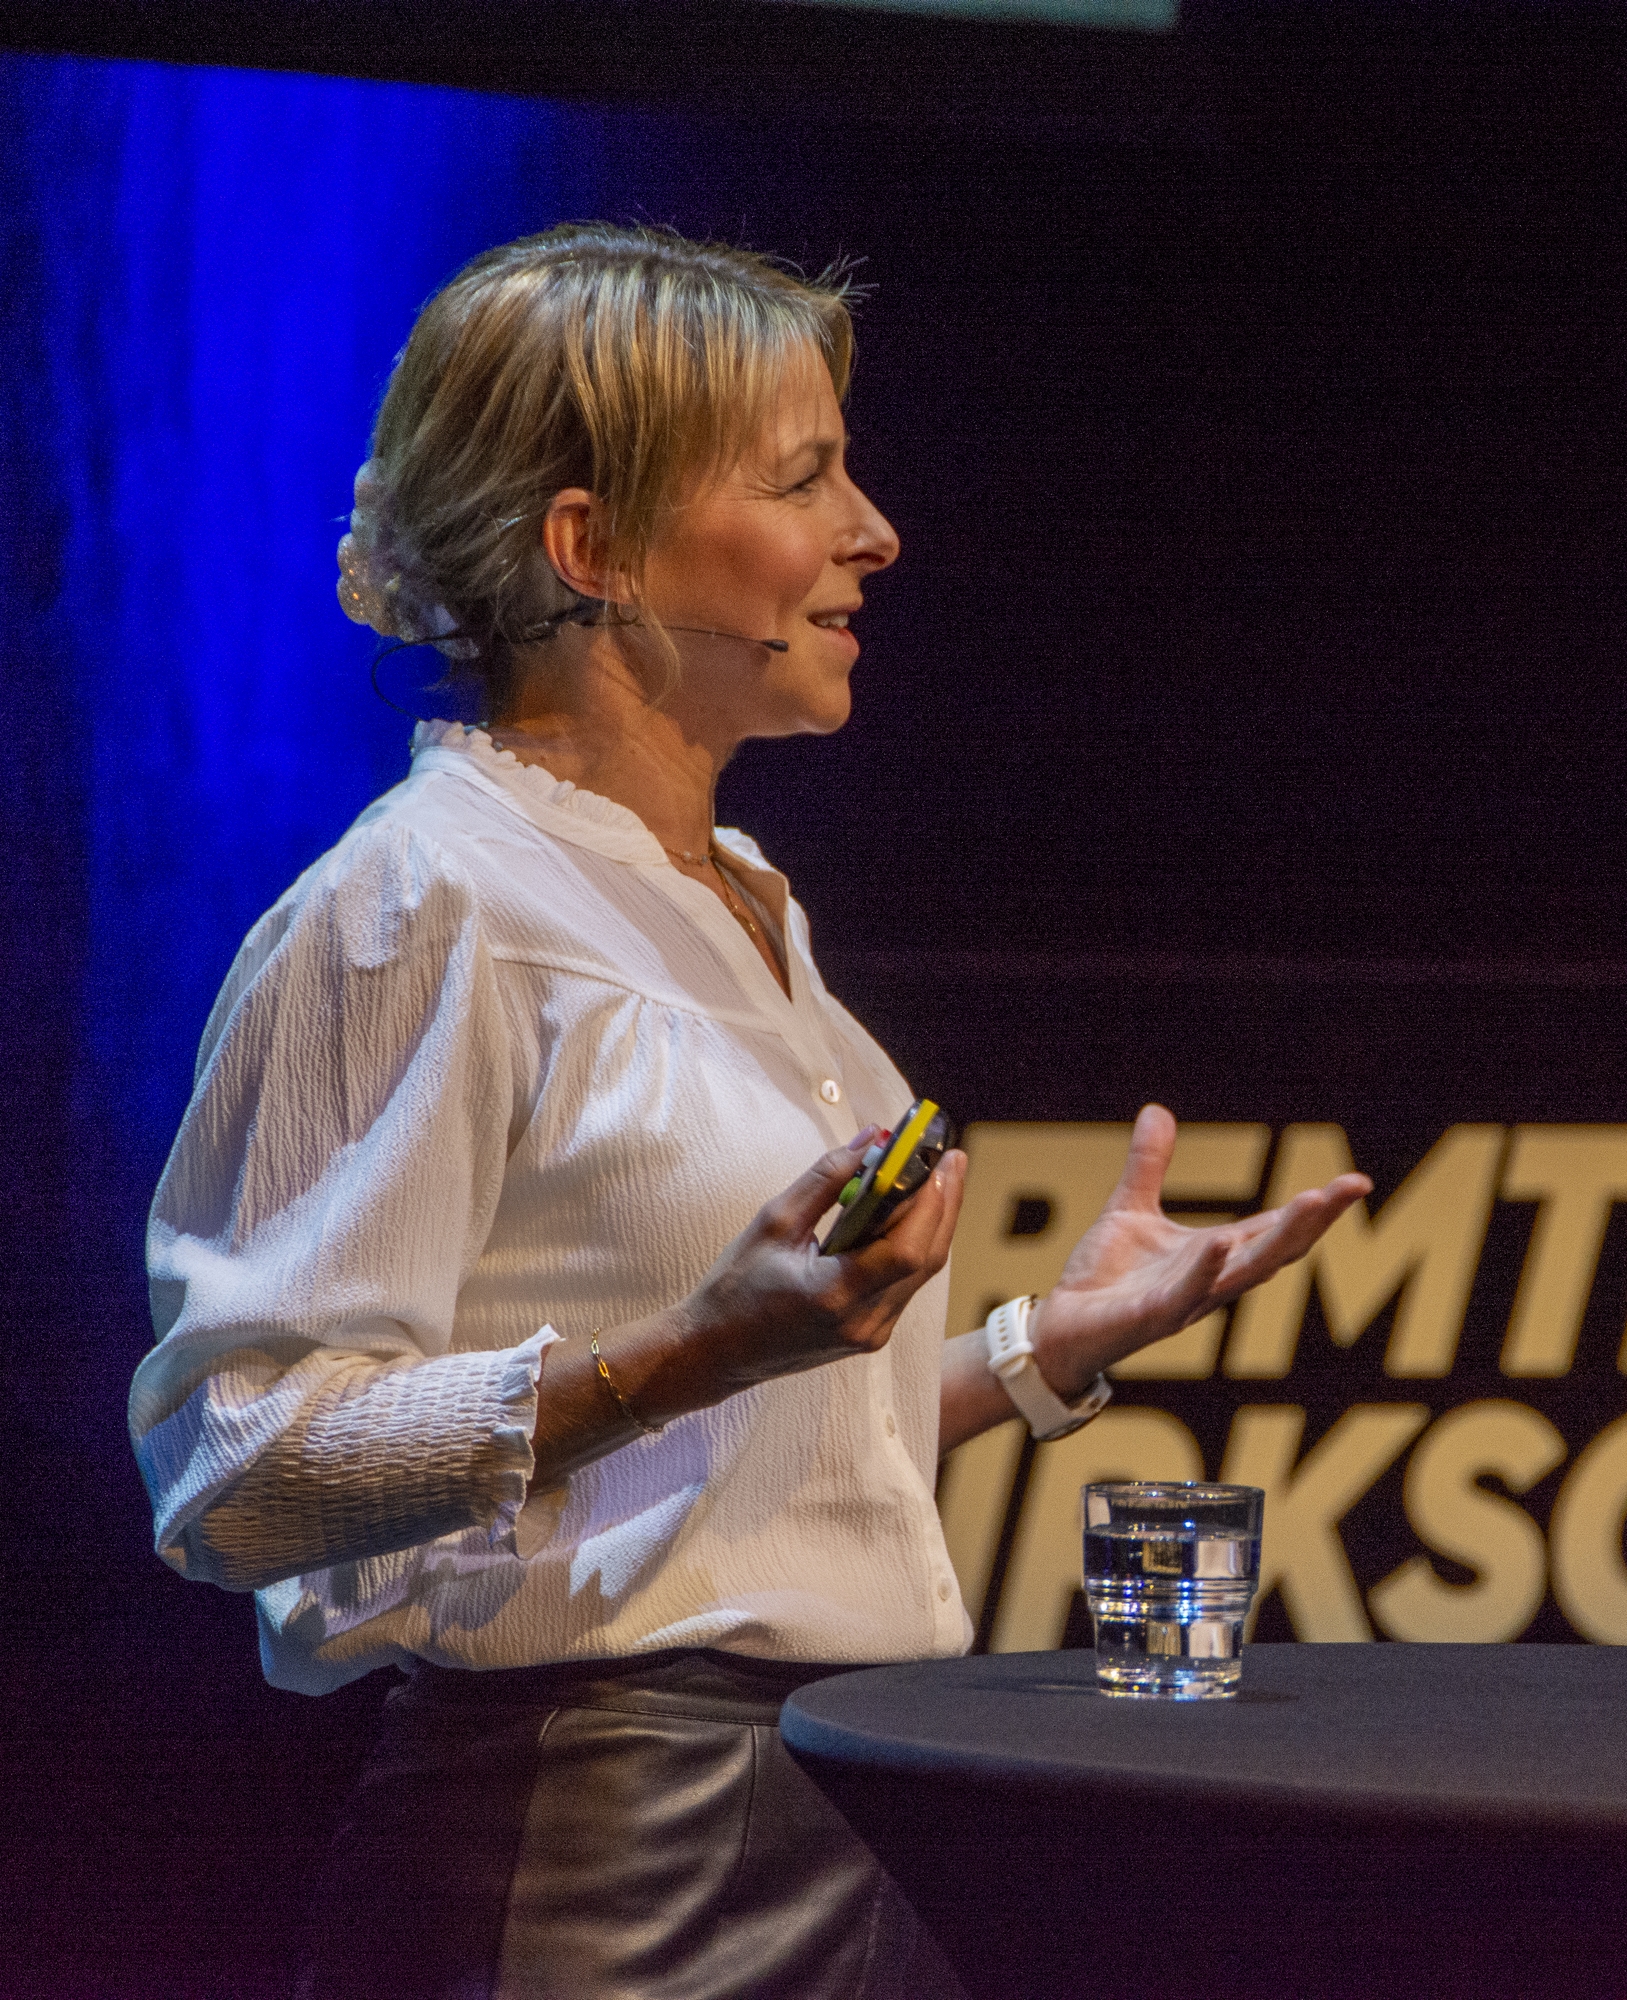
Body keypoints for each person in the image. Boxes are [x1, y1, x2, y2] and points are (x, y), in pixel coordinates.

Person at [125, 221, 1368, 1999]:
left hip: (862, 1806)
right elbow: (233, 1475)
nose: (875, 530)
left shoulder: (743, 902)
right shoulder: (422, 905)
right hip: (603, 1868)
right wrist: (696, 1347)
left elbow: (722, 1473)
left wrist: (1035, 1351)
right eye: (804, 480)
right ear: (592, 551)